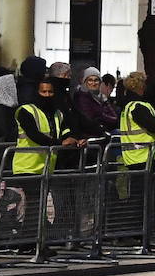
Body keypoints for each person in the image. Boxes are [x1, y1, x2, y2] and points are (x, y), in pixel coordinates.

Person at [13, 74, 84, 251]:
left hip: (45, 167)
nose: (47, 95)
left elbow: (66, 131)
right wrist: (61, 143)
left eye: (50, 92)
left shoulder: (57, 114)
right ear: (37, 92)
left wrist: (74, 140)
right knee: (36, 204)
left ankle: (28, 243)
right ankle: (32, 244)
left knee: (37, 205)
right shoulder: (25, 111)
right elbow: (34, 135)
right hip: (27, 165)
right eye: (43, 91)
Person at [71, 67, 119, 137]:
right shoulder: (81, 97)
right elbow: (88, 120)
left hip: (102, 132)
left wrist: (100, 116)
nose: (93, 83)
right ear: (85, 81)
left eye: (96, 80)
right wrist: (102, 116)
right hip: (90, 136)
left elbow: (114, 118)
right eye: (90, 80)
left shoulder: (102, 97)